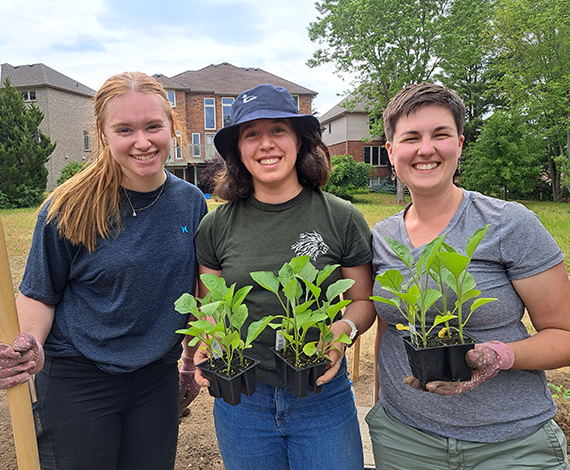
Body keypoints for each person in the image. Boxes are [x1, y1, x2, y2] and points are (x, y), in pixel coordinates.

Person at [0, 71, 208, 470]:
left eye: (153, 127)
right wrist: (30, 344)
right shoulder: (69, 206)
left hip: (154, 381)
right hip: (77, 378)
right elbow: (39, 293)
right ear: (103, 133)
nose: (142, 142)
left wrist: (188, 361)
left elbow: (199, 291)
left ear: (172, 127)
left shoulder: (191, 203)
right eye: (125, 129)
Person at [366, 82, 570, 469]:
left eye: (440, 135)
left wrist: (500, 355)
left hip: (509, 442)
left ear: (459, 144)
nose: (426, 149)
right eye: (411, 138)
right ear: (392, 152)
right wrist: (381, 407)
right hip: (405, 439)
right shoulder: (381, 236)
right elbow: (387, 331)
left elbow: (565, 334)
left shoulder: (509, 223)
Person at [190, 83, 378, 470]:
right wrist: (208, 337)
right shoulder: (215, 226)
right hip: (242, 398)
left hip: (321, 393)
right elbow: (210, 304)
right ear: (238, 151)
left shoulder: (341, 217)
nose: (266, 144)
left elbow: (362, 301)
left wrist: (341, 333)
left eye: (278, 130)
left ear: (299, 141)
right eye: (252, 134)